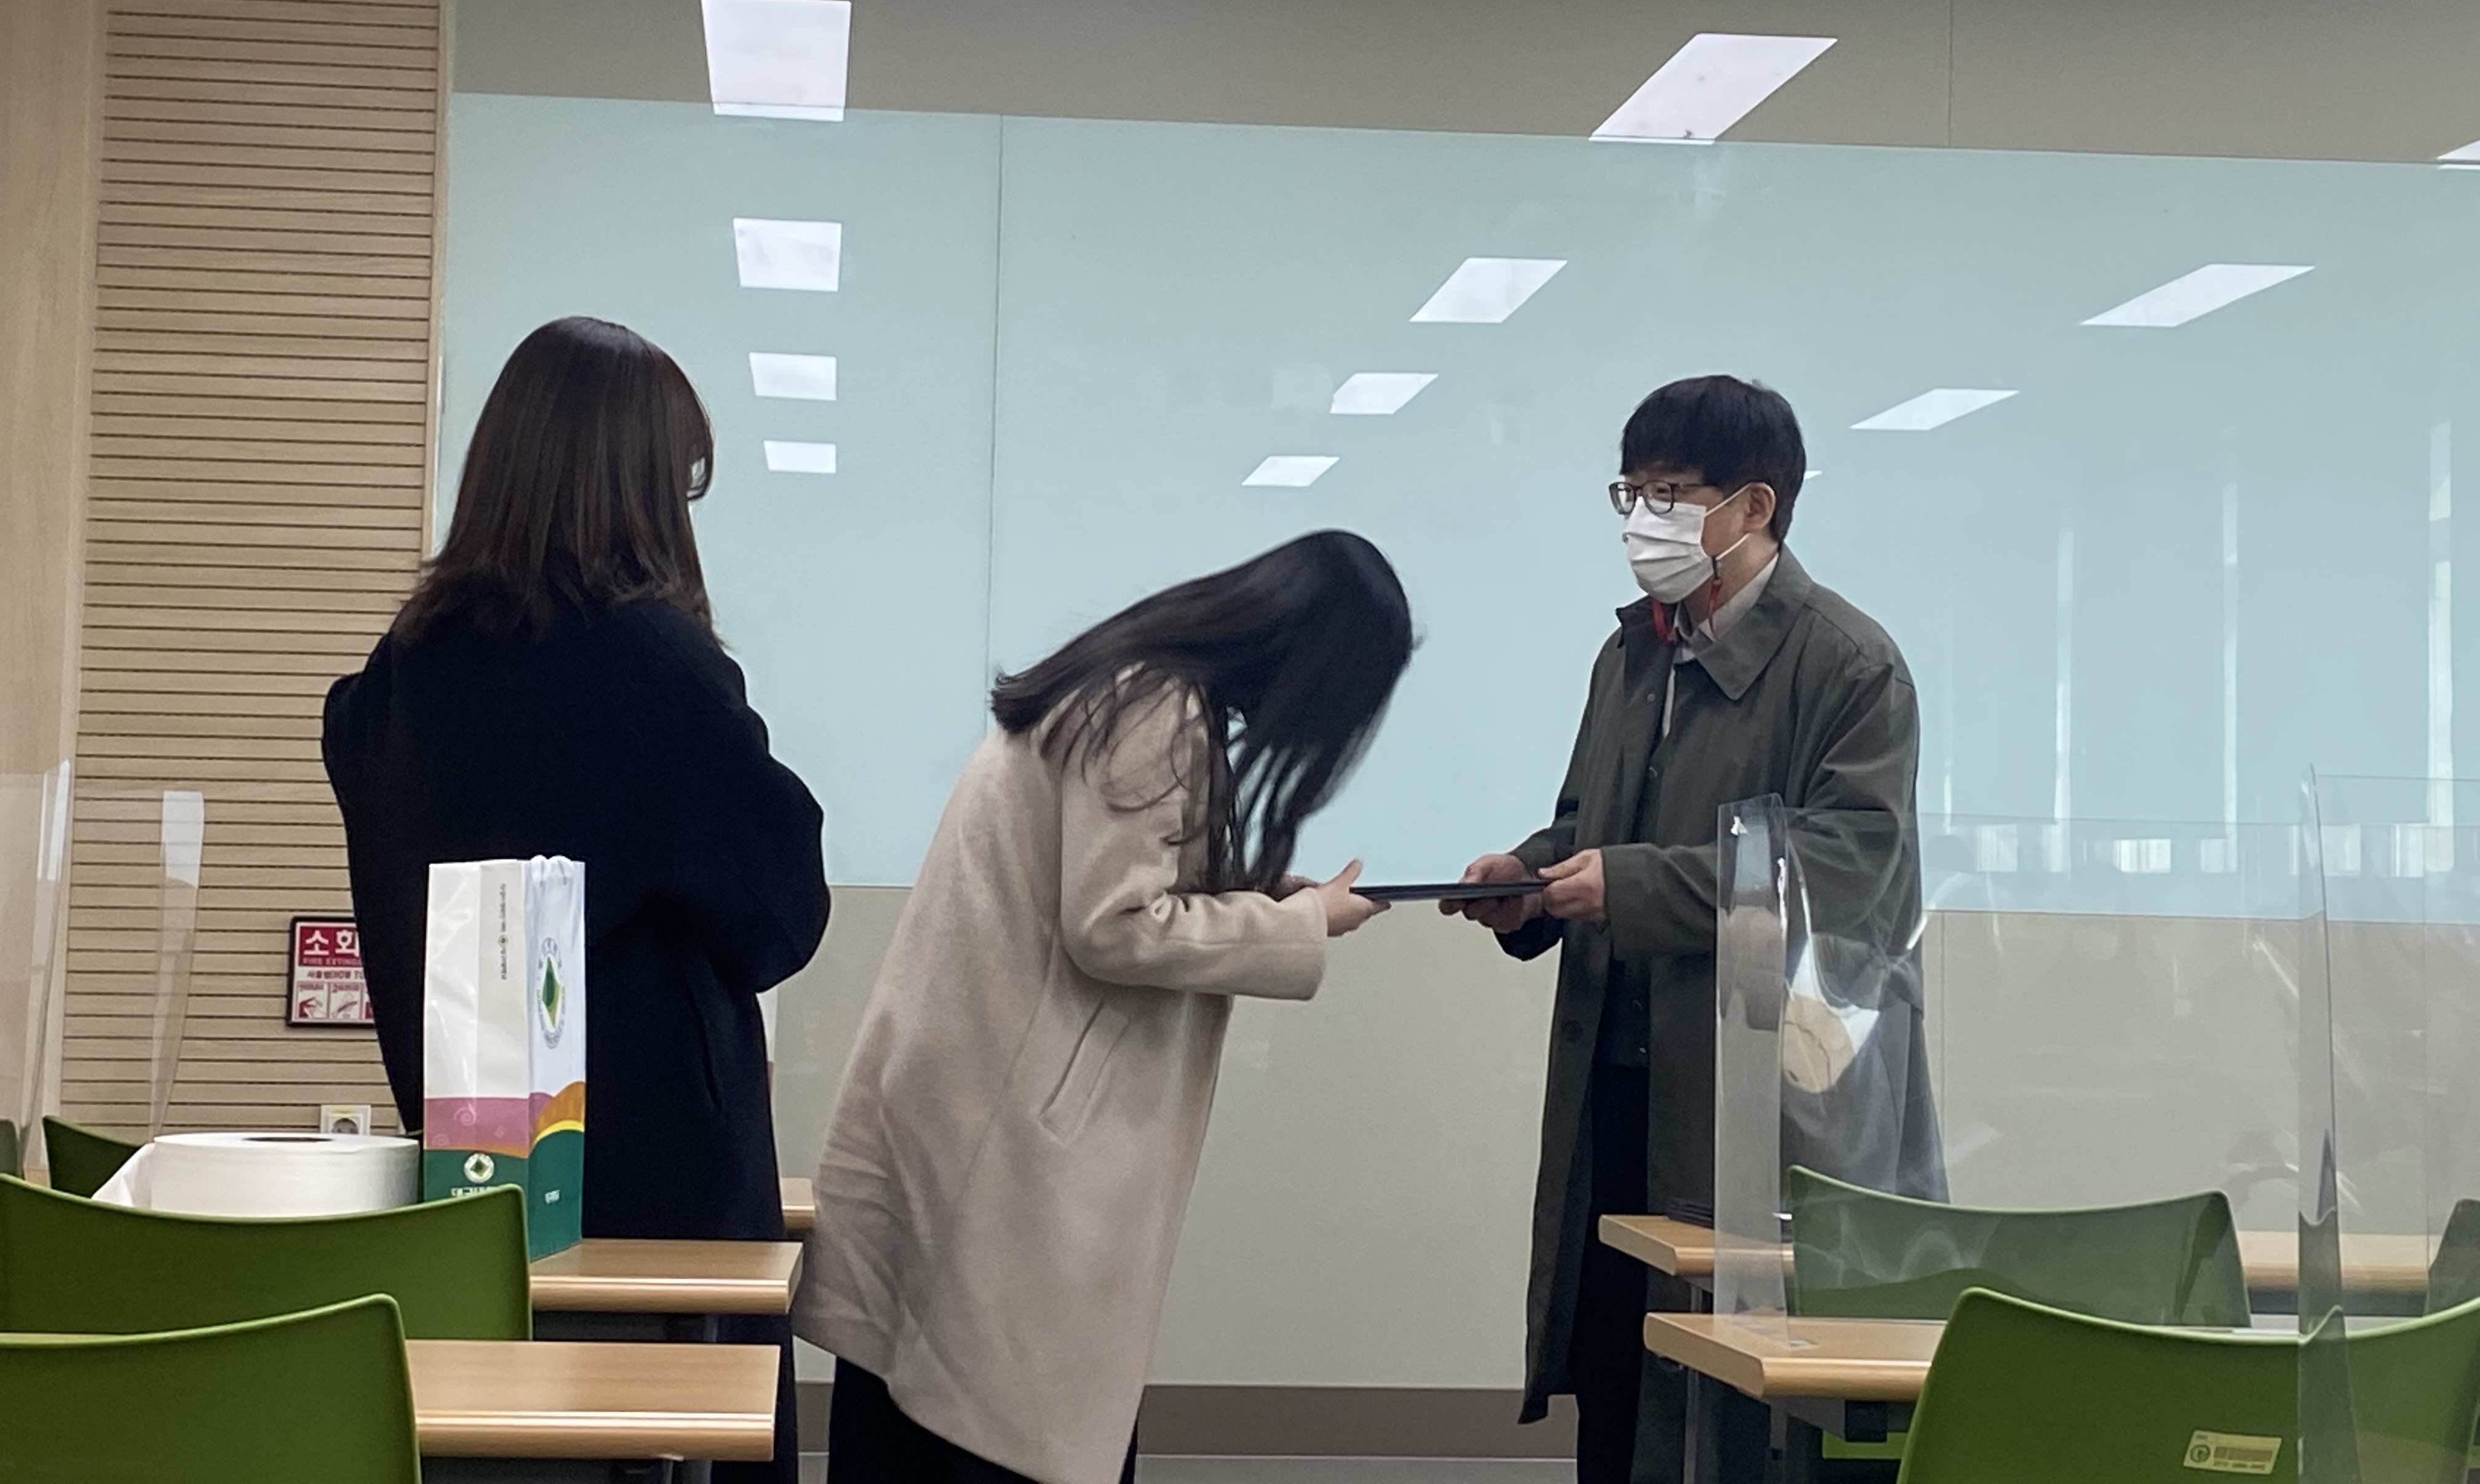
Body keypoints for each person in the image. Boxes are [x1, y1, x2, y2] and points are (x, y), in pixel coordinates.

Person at [324, 316, 829, 1484]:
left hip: (475, 1199)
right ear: (641, 489)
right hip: (663, 1217)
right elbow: (780, 913)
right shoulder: (655, 667)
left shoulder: (401, 677)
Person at [798, 531, 1415, 1484]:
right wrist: (1302, 924)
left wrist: (1257, 896)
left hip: (965, 1104)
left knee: (915, 1418)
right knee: (995, 1426)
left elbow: (1104, 886)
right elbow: (1115, 925)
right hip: (1010, 1144)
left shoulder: (1126, 685)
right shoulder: (1156, 711)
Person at [1445, 375, 1939, 1484]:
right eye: (1631, 492)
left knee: (1737, 1410)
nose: (1641, 520)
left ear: (1754, 506)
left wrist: (1628, 884)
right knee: (1620, 1373)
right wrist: (1529, 877)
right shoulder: (1633, 654)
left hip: (1761, 1101)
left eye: (1670, 493)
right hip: (1621, 1080)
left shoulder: (1849, 663)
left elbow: (1847, 868)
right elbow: (1594, 822)